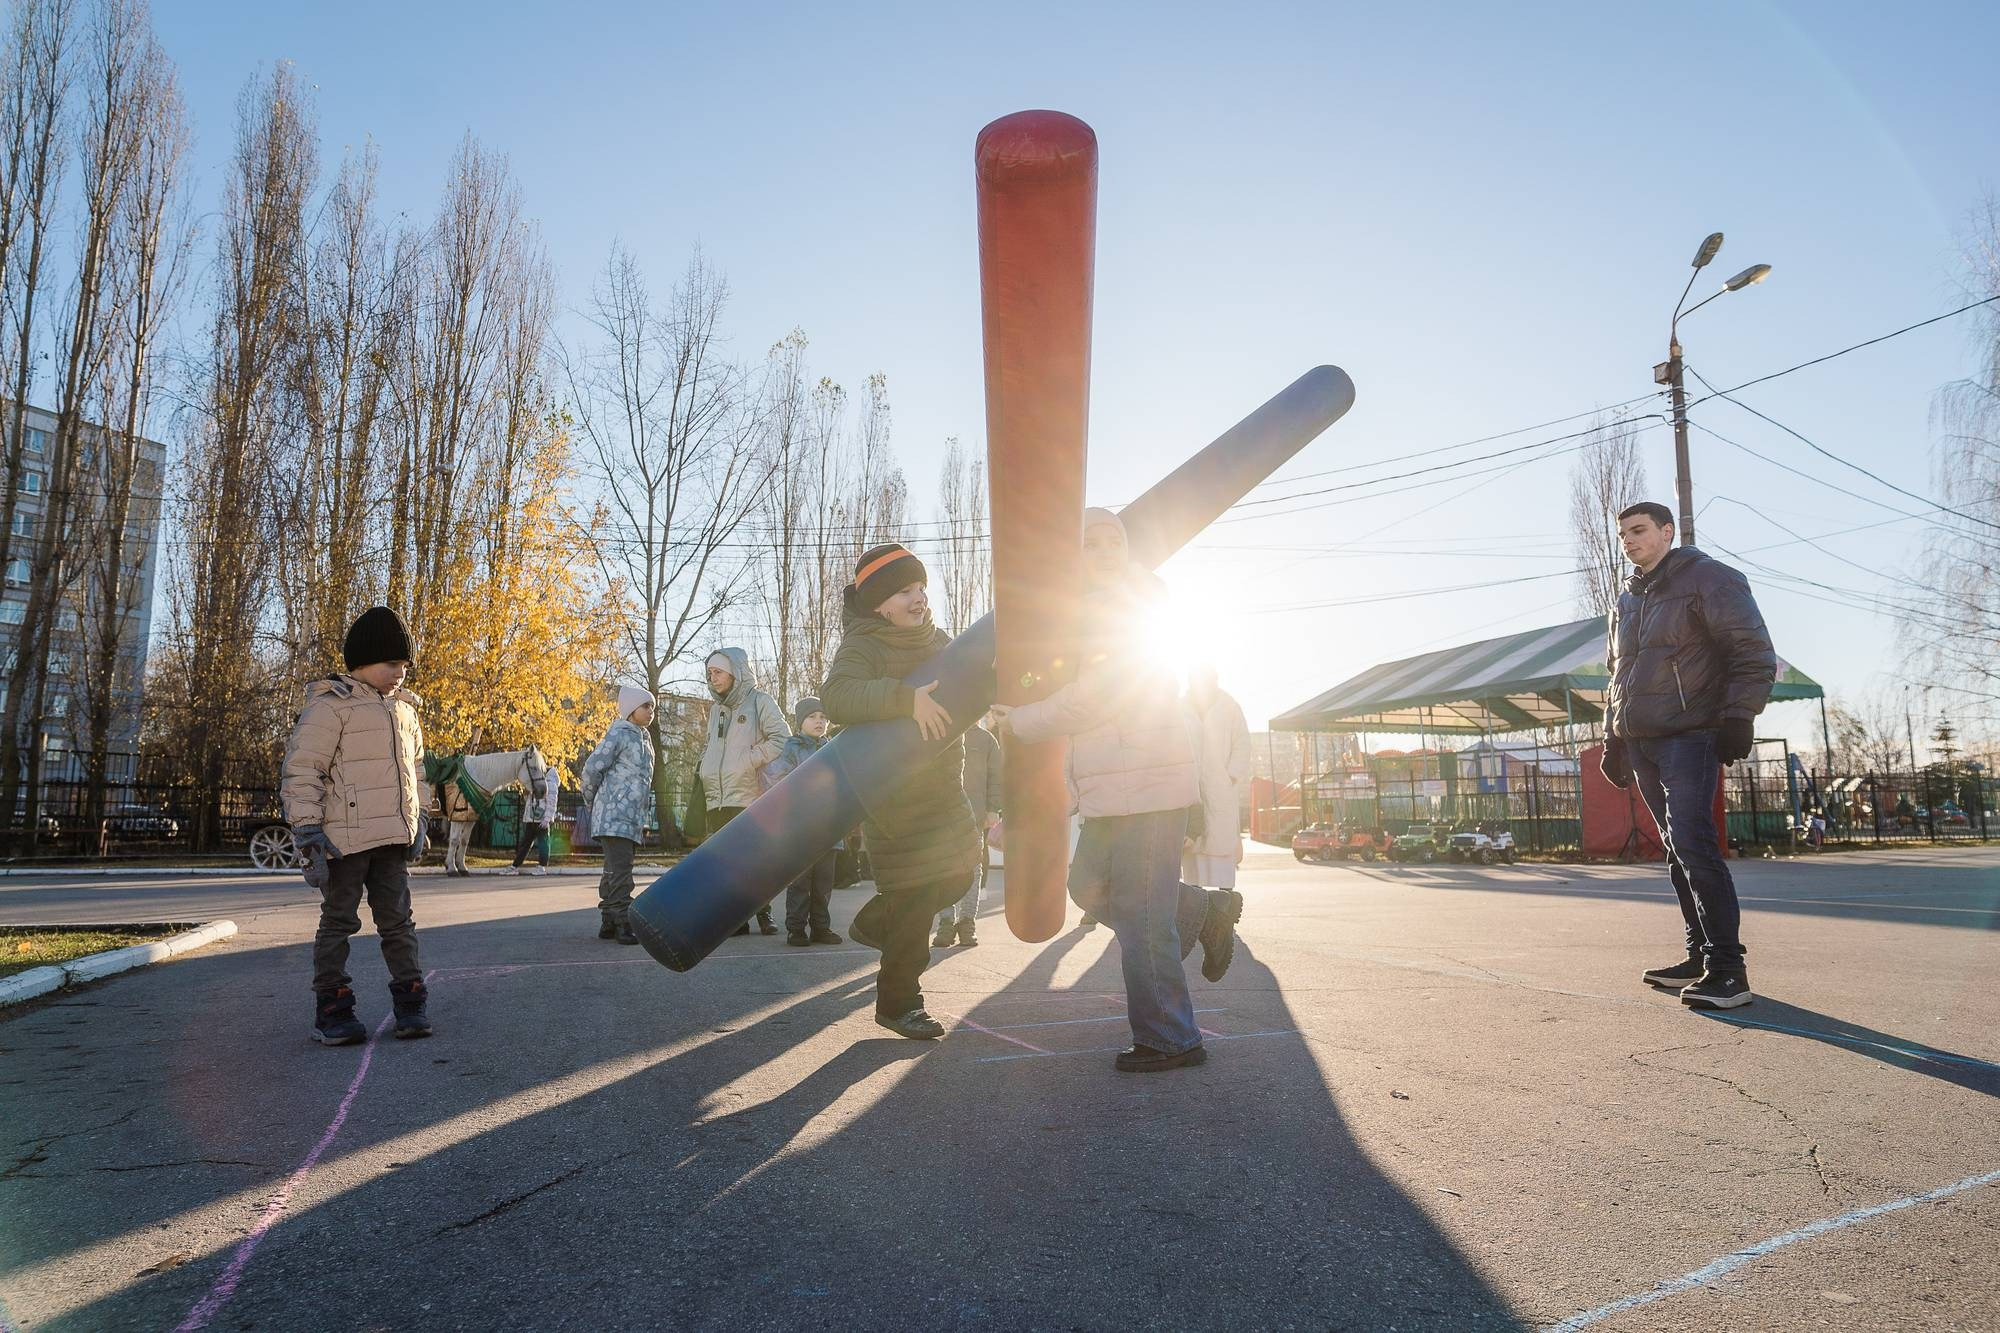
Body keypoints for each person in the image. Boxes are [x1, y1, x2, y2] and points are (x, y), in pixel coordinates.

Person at [993, 509, 1243, 1073]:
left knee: (1143, 918)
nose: (1103, 552)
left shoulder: (1132, 609)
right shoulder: (1082, 615)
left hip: (1151, 786)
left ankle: (1172, 1037)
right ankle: (1203, 910)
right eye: (1089, 544)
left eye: (1113, 542)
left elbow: (1098, 695)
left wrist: (1023, 720)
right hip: (1112, 789)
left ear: (1127, 553)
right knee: (1087, 886)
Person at [1600, 501, 1776, 1011]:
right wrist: (1614, 738)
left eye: (1638, 530)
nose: (1628, 540)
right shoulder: (1628, 598)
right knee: (1677, 851)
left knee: (1695, 845)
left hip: (1691, 734)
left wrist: (1739, 715)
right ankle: (1699, 956)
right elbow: (1618, 674)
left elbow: (1752, 651)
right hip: (1642, 741)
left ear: (1667, 532)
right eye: (1623, 534)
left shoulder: (1710, 579)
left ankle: (1728, 971)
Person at [821, 542, 982, 1040]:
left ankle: (876, 921)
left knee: (958, 877)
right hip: (895, 799)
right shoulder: (864, 643)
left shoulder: (939, 639)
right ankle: (898, 1004)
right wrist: (903, 698)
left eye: (921, 588)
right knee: (915, 905)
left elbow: (972, 679)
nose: (918, 599)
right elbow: (837, 696)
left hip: (944, 789)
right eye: (905, 591)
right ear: (879, 604)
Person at [283, 606, 433, 1045]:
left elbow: (417, 770)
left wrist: (419, 817)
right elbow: (303, 771)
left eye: (404, 665)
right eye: (391, 663)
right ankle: (332, 1006)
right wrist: (307, 829)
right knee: (338, 922)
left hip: (391, 840)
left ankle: (410, 1001)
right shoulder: (331, 708)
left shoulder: (405, 713)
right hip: (342, 841)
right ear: (362, 661)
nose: (399, 673)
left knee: (399, 923)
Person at [699, 646, 791, 936]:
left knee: (752, 858)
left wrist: (749, 760)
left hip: (748, 792)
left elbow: (781, 738)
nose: (712, 678)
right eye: (710, 673)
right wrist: (705, 767)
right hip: (717, 795)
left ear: (735, 672)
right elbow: (712, 746)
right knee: (726, 861)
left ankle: (763, 913)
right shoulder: (715, 710)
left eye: (718, 672)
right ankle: (736, 917)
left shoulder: (759, 701)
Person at [764, 697, 844, 948]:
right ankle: (796, 928)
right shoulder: (792, 748)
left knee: (823, 883)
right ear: (800, 723)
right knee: (800, 882)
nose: (819, 721)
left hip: (828, 827)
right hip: (800, 828)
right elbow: (777, 778)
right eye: (812, 717)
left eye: (823, 717)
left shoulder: (832, 747)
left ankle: (821, 927)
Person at [582, 687, 657, 945]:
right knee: (622, 870)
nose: (651, 711)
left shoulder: (644, 740)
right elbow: (592, 768)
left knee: (613, 869)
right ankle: (623, 920)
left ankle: (608, 921)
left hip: (630, 817)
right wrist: (592, 801)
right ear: (630, 710)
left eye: (653, 707)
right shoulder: (619, 733)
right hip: (613, 814)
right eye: (645, 706)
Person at [935, 707, 1003, 948]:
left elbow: (996, 776)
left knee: (973, 871)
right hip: (943, 817)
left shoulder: (986, 740)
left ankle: (967, 923)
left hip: (975, 816)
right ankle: (945, 922)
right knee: (944, 870)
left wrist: (994, 808)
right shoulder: (942, 733)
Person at [1184, 666, 1252, 891]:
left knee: (1221, 845)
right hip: (1189, 786)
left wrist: (1230, 776)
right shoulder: (1180, 706)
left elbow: (1242, 743)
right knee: (1192, 850)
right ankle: (1196, 914)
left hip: (1220, 786)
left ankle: (1225, 911)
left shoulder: (1229, 706)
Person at [511, 759, 558, 875]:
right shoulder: (536, 782)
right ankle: (514, 866)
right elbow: (529, 801)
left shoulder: (550, 783)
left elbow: (552, 803)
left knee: (543, 843)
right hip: (531, 818)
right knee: (525, 844)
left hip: (541, 819)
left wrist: (547, 819)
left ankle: (542, 867)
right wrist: (526, 794)